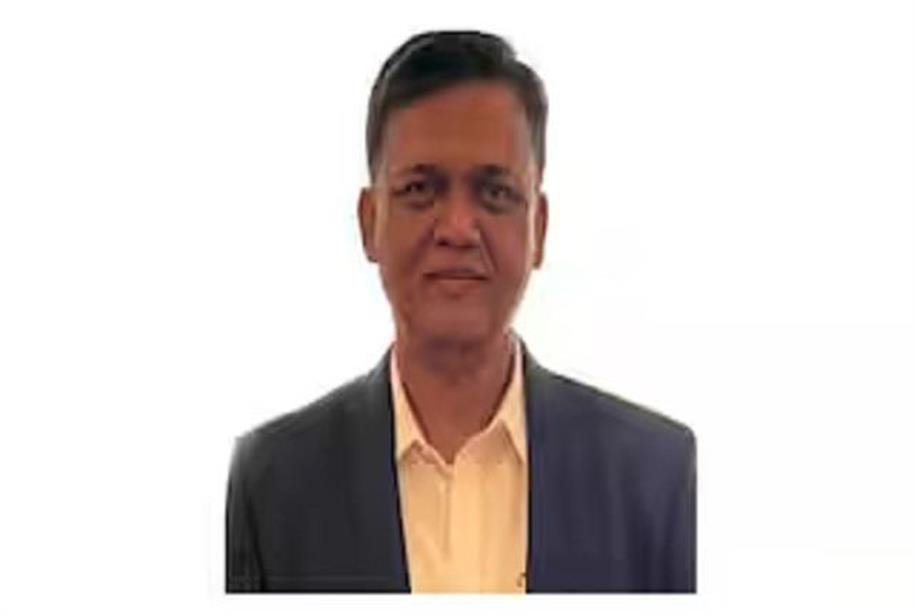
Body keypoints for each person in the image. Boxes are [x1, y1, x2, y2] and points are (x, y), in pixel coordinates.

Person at [225, 30, 696, 593]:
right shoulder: (270, 486)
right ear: (369, 221)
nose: (456, 228)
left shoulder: (658, 480)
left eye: (494, 193)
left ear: (539, 228)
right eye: (420, 190)